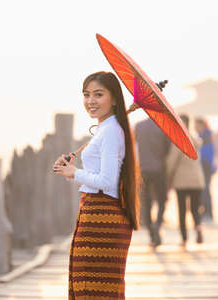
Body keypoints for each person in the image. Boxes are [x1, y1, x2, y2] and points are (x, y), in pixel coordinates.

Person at [53, 71, 140, 299]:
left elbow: (107, 181)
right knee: (91, 288)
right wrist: (71, 173)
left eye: (98, 94)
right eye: (86, 94)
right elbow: (99, 179)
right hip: (96, 214)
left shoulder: (111, 131)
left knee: (93, 290)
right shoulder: (107, 128)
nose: (90, 101)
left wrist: (76, 172)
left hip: (102, 218)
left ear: (113, 99)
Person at [166, 114, 205, 248]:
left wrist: (168, 178)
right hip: (196, 179)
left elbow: (171, 162)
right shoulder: (195, 139)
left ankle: (184, 238)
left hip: (181, 180)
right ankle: (198, 227)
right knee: (195, 208)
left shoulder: (178, 139)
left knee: (182, 210)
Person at [134, 117, 170, 247]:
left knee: (146, 201)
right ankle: (157, 225)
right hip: (159, 169)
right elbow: (168, 149)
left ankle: (151, 232)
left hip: (143, 169)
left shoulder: (138, 126)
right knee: (162, 200)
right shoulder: (163, 127)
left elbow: (133, 146)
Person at [195, 118, 216, 222]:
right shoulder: (205, 135)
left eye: (196, 125)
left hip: (205, 165)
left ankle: (208, 213)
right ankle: (207, 212)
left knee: (205, 189)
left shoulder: (205, 136)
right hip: (206, 164)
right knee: (205, 189)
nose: (195, 127)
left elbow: (206, 152)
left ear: (201, 125)